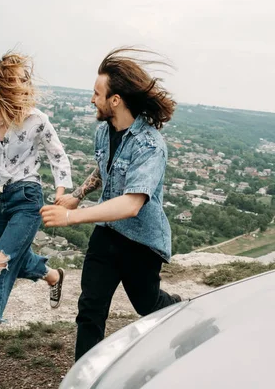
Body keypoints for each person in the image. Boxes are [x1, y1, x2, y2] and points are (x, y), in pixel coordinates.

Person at [41, 47, 181, 361]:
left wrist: (70, 217)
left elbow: (132, 203)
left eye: (97, 93)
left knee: (148, 306)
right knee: (90, 309)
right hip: (107, 235)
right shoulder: (103, 133)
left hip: (140, 242)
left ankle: (179, 311)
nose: (92, 99)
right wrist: (77, 196)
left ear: (114, 100)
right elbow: (105, 169)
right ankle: (83, 379)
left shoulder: (150, 144)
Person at [0, 52, 73, 367]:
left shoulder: (38, 120)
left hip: (27, 198)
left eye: (26, 78)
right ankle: (52, 275)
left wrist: (61, 191)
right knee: (16, 258)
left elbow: (57, 155)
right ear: (2, 86)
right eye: (18, 79)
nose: (25, 84)